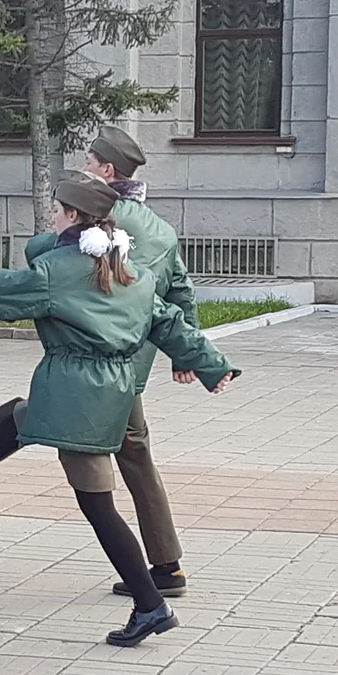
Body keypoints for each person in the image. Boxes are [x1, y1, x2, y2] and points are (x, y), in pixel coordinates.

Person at [0, 172, 238, 648]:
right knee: (16, 423)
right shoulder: (133, 272)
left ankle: (152, 606)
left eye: (57, 211)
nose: (52, 216)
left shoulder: (57, 269)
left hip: (76, 393)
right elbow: (170, 324)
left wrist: (50, 253)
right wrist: (214, 367)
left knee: (99, 507)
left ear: (69, 216)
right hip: (107, 390)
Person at [79, 126, 195, 599]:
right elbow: (181, 290)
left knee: (34, 420)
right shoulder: (161, 229)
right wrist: (182, 354)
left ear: (107, 170)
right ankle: (166, 566)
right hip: (133, 364)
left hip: (92, 357)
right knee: (134, 452)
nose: (85, 170)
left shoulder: (94, 216)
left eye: (89, 162)